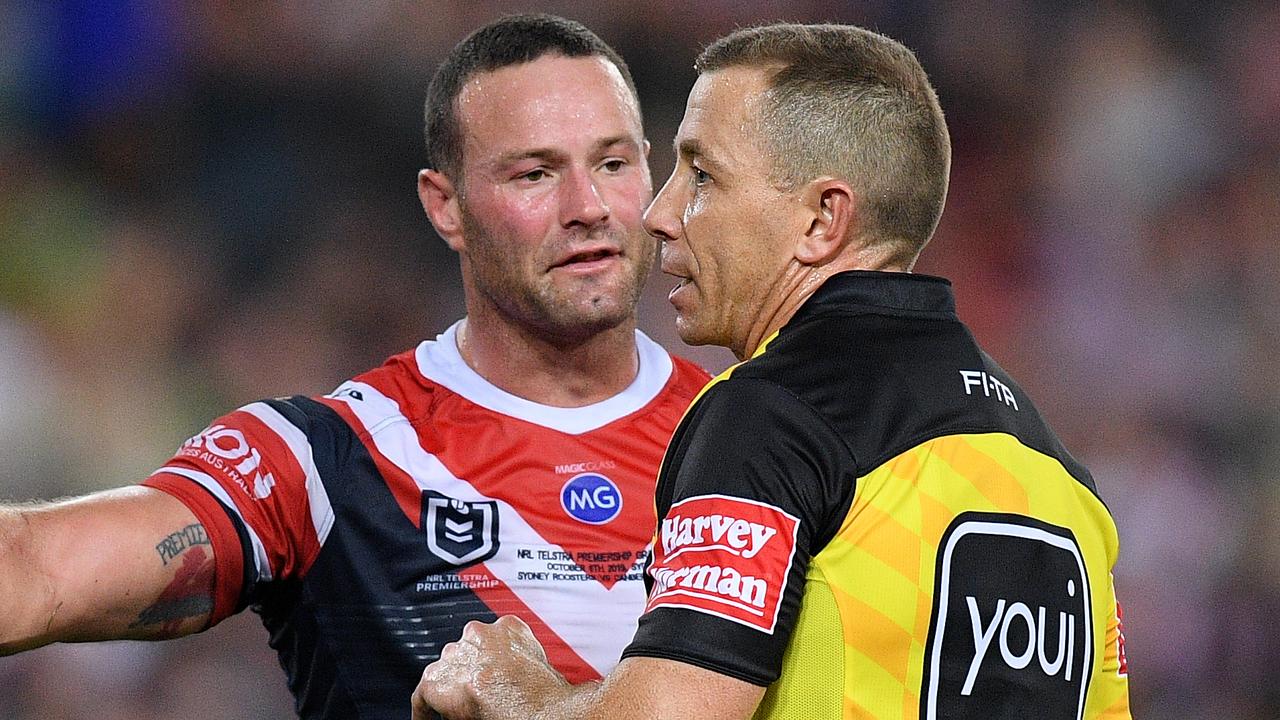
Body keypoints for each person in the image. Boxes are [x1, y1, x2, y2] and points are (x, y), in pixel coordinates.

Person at [413, 22, 1132, 720]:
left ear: (823, 219)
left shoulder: (772, 414)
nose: (659, 214)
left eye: (701, 174)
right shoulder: (1061, 475)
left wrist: (516, 694)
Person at [0, 14, 709, 720]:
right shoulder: (328, 460)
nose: (587, 206)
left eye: (613, 164)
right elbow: (32, 570)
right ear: (445, 207)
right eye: (534, 173)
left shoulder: (758, 438)